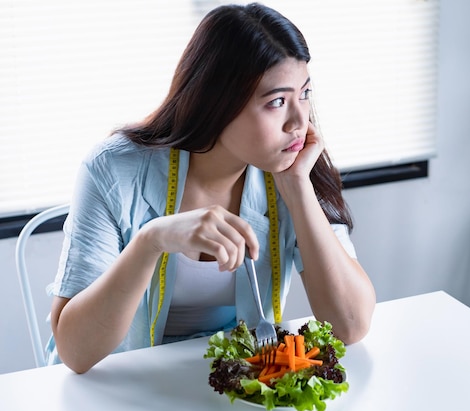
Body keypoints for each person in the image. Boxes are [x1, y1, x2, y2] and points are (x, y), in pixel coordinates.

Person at [47, 2, 376, 374]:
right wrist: (150, 242)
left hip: (225, 388)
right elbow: (75, 353)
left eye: (304, 93)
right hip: (121, 384)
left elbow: (351, 325)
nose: (299, 121)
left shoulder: (290, 162)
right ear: (218, 101)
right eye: (277, 102)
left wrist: (298, 187)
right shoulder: (112, 168)